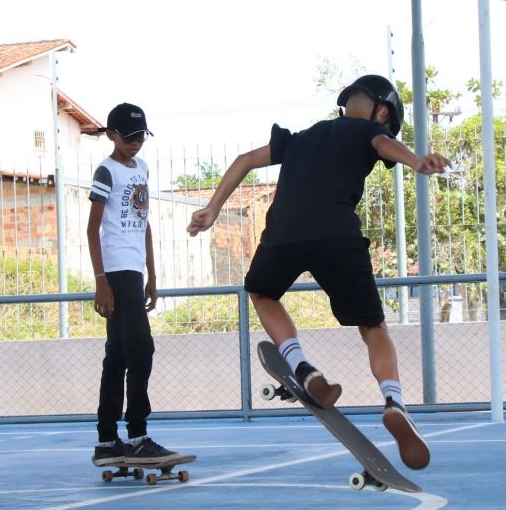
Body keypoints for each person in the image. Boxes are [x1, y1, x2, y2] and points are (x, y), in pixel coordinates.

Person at [187, 75, 449, 470]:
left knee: (262, 293)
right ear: (381, 112)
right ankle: (394, 401)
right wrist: (416, 161)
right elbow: (385, 144)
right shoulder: (370, 132)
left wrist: (212, 209)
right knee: (373, 328)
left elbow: (243, 161)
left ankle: (304, 369)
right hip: (337, 235)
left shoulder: (299, 138)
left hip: (284, 235)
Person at [87, 102, 178, 467]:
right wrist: (101, 282)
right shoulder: (106, 171)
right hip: (115, 271)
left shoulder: (141, 168)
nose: (136, 142)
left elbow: (144, 222)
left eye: (141, 136)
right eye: (128, 136)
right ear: (111, 135)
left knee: (119, 355)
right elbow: (92, 229)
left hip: (135, 271)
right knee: (141, 348)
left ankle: (108, 440)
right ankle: (137, 435)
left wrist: (152, 275)